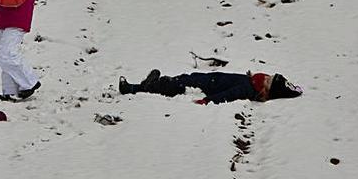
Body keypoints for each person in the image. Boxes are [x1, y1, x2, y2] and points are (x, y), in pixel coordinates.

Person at [117, 69, 302, 104]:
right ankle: (151, 83)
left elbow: (229, 94)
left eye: (268, 80)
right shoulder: (250, 82)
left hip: (202, 87)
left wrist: (208, 100)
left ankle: (132, 88)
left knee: (169, 86)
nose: (266, 76)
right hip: (203, 79)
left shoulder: (248, 88)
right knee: (174, 81)